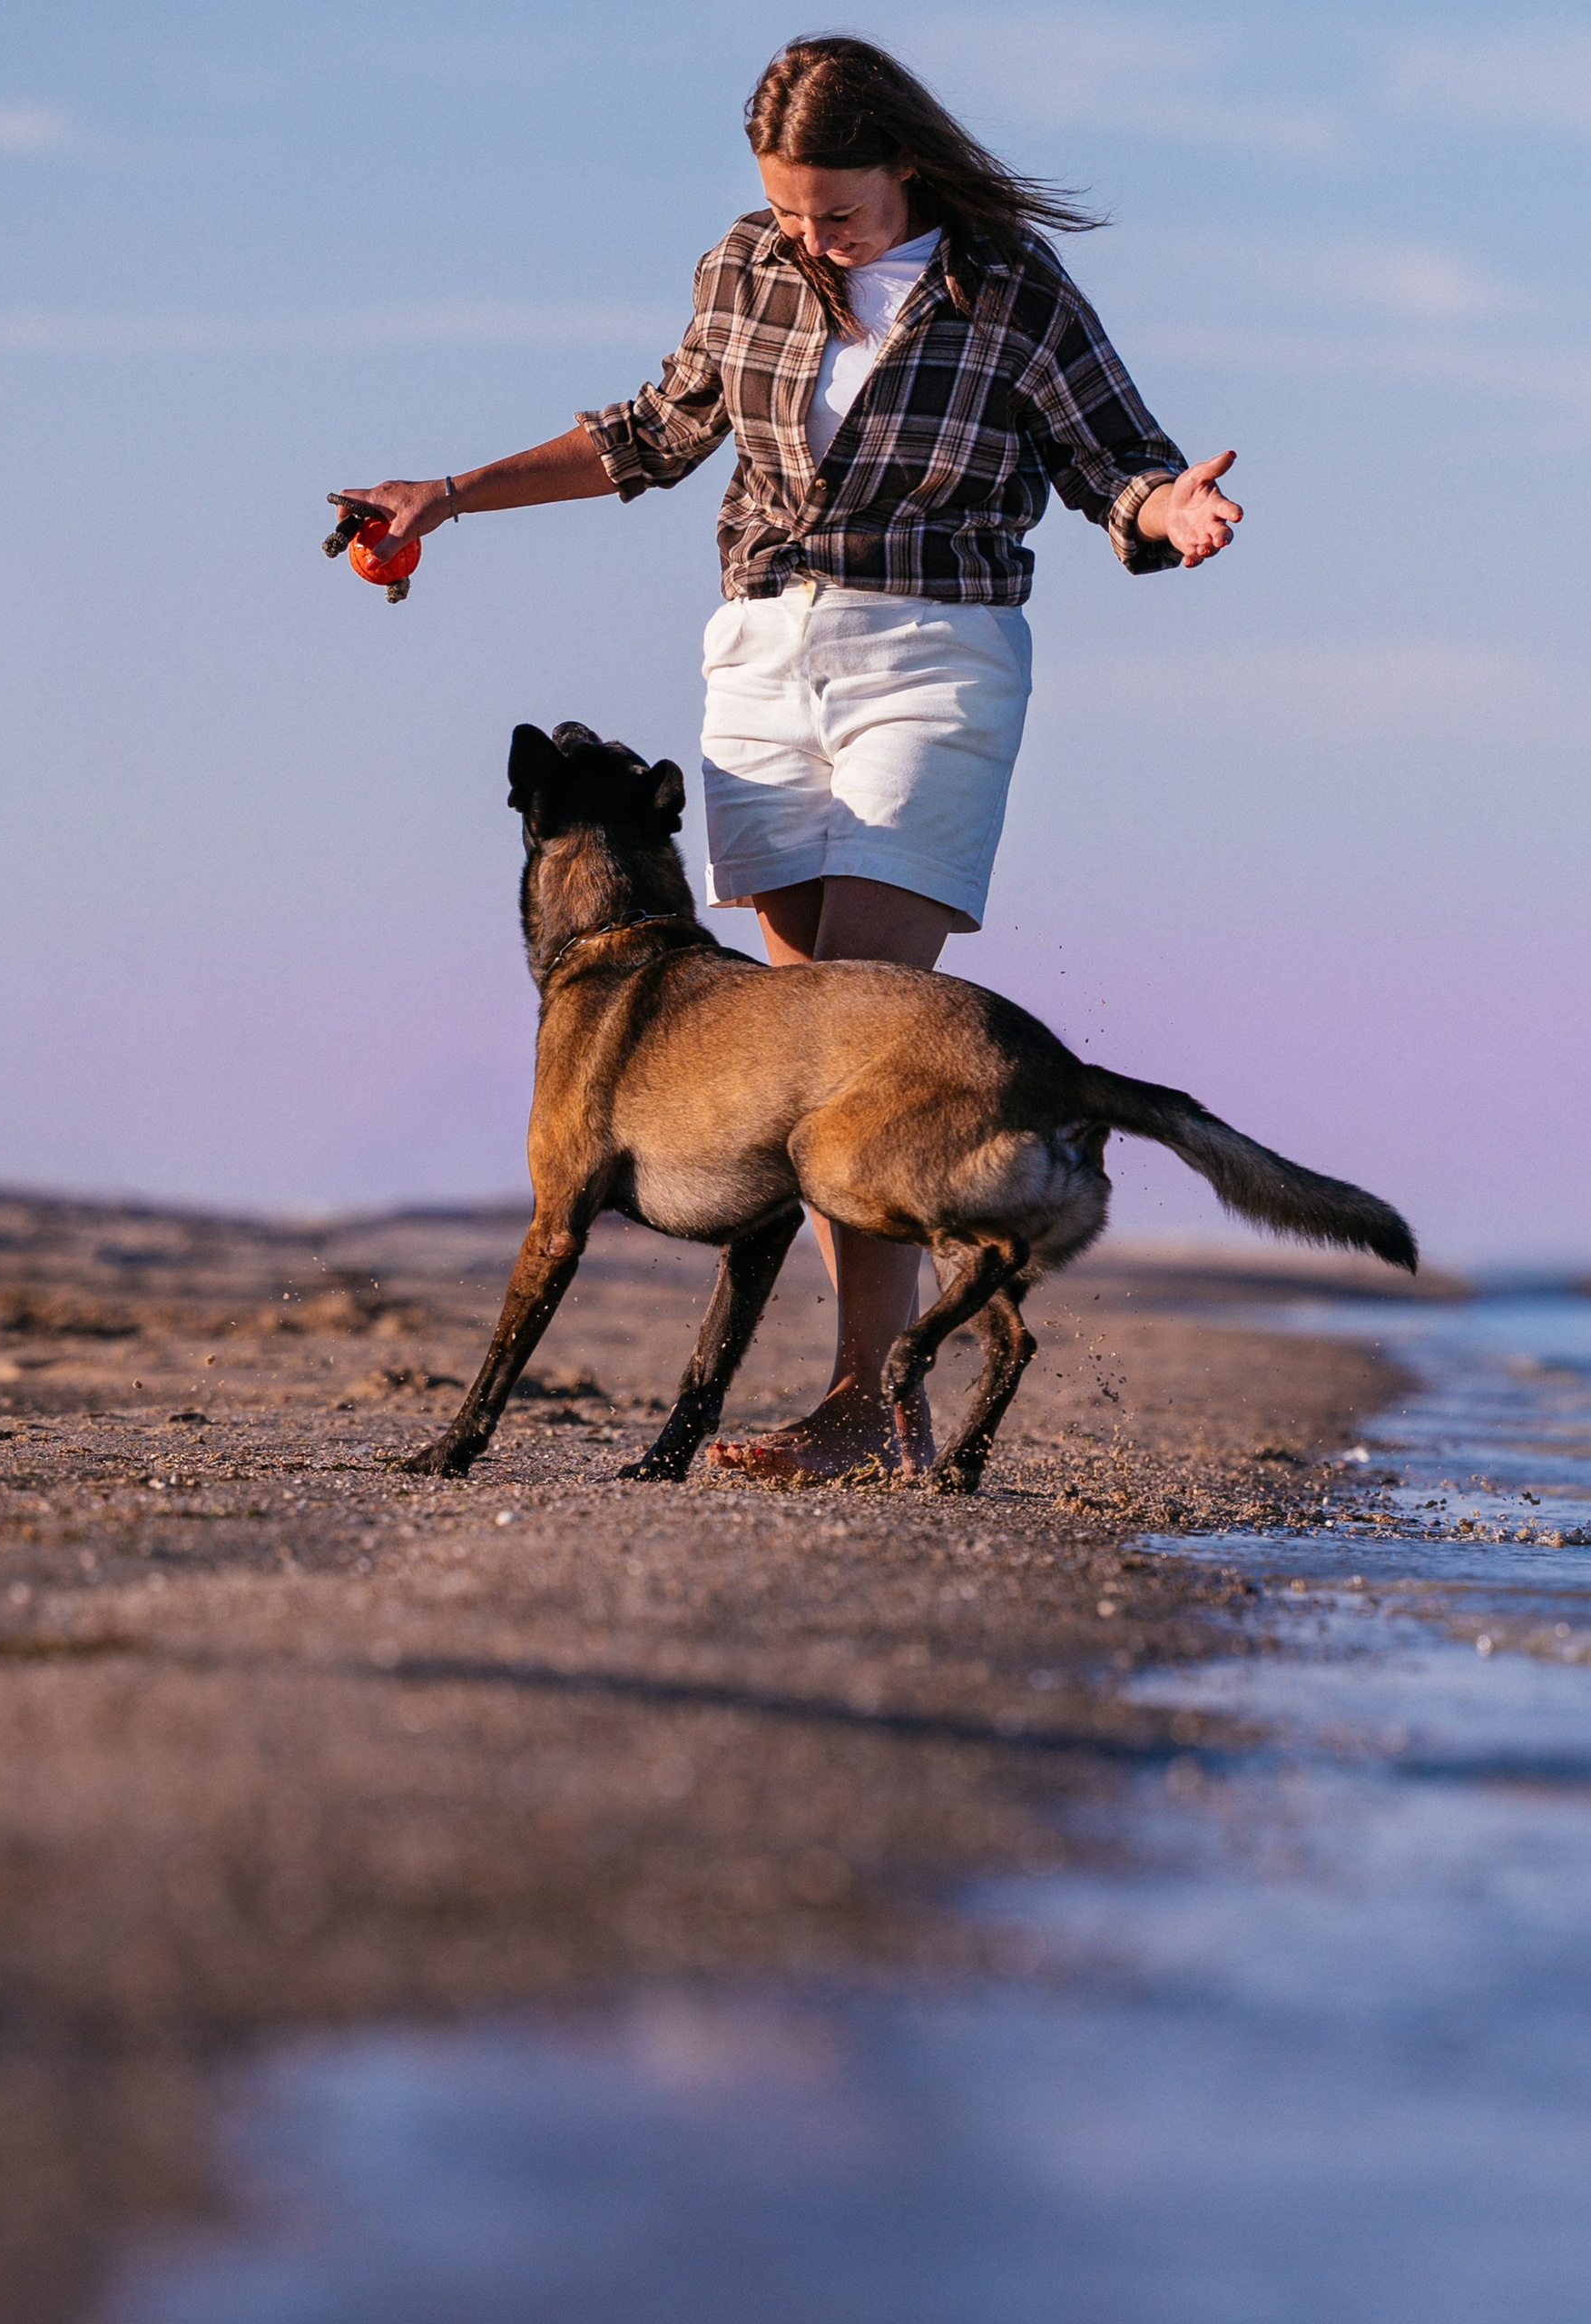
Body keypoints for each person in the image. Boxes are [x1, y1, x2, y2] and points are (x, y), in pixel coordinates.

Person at [339, 34, 1241, 1482]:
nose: (814, 238)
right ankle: (880, 1400)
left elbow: (1114, 462)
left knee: (862, 1017)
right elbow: (652, 433)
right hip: (763, 661)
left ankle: (865, 1401)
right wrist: (445, 498)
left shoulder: (1009, 288)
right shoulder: (746, 266)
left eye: (842, 212)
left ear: (909, 166)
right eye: (794, 211)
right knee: (799, 1072)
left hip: (934, 658)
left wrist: (1165, 518)